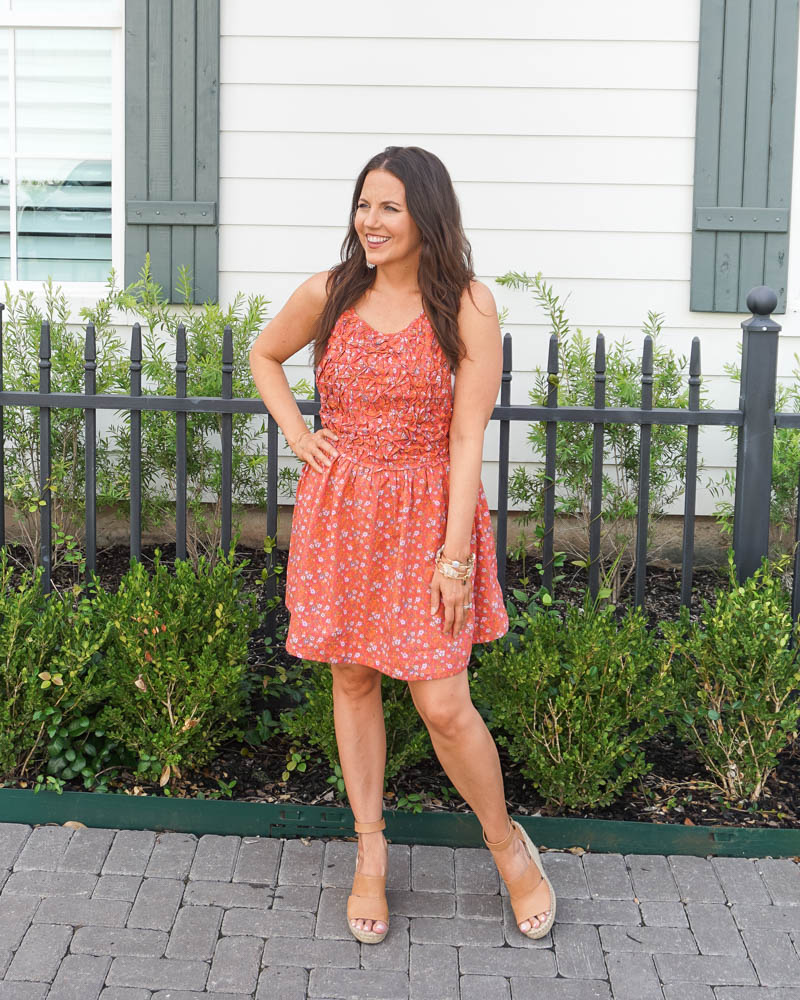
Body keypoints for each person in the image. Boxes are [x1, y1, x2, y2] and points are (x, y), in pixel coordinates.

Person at [248, 146, 556, 945]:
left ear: (426, 213)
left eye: (389, 207)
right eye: (363, 205)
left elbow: (465, 440)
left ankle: (507, 844)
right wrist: (298, 433)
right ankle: (371, 856)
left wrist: (455, 556)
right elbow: (264, 354)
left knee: (444, 703)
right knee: (351, 679)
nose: (371, 222)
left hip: (427, 516)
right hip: (342, 510)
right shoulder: (329, 292)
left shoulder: (468, 306)